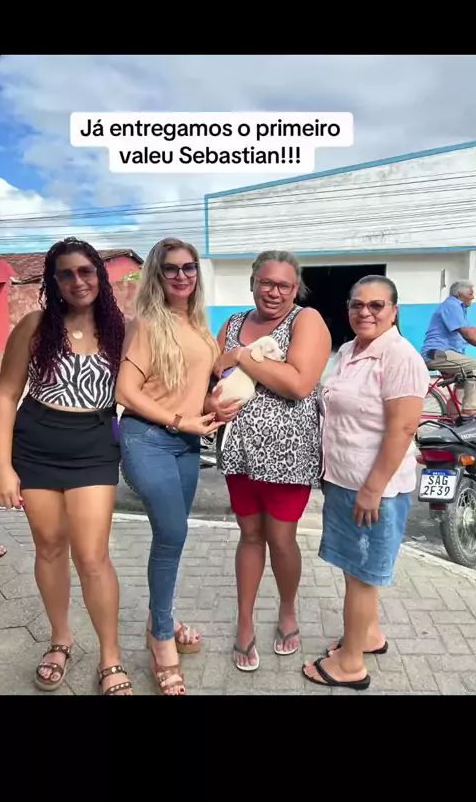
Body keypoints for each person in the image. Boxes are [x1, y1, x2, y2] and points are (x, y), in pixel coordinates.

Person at [0, 237, 133, 696]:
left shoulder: (122, 330)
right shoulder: (36, 326)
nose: (77, 281)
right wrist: (1, 466)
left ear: (100, 276)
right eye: (66, 274)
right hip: (34, 445)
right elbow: (5, 394)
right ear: (53, 282)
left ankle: (110, 657)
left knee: (92, 556)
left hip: (94, 447)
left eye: (85, 271)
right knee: (50, 547)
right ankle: (60, 640)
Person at [302, 275, 429, 691]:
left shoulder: (400, 356)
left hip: (373, 489)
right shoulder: (349, 350)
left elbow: (403, 428)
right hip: (344, 479)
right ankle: (368, 635)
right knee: (354, 569)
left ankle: (350, 664)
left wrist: (372, 489)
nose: (365, 312)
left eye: (377, 305)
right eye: (358, 304)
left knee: (361, 577)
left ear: (394, 311)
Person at [116, 237, 228, 696]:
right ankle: (161, 638)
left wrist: (211, 406)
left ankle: (159, 618)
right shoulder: (148, 323)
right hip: (148, 439)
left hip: (186, 443)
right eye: (171, 268)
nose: (182, 276)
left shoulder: (199, 325)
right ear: (157, 276)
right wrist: (180, 419)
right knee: (173, 533)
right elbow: (125, 391)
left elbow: (194, 387)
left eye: (189, 267)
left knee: (172, 539)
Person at [213, 250, 331, 672]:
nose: (274, 292)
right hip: (239, 452)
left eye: (284, 285)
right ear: (253, 283)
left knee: (281, 538)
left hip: (289, 455)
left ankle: (287, 609)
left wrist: (241, 357)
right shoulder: (233, 323)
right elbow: (211, 374)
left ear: (295, 289)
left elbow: (298, 384)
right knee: (249, 535)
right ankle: (244, 623)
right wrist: (213, 396)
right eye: (266, 282)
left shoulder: (306, 320)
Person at [421, 280, 476, 417]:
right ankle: (470, 410)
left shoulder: (458, 308)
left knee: (464, 379)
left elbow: (471, 331)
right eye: (470, 294)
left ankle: (452, 417)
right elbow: (468, 334)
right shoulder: (452, 306)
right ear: (460, 295)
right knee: (475, 367)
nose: (473, 297)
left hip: (443, 353)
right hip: (439, 354)